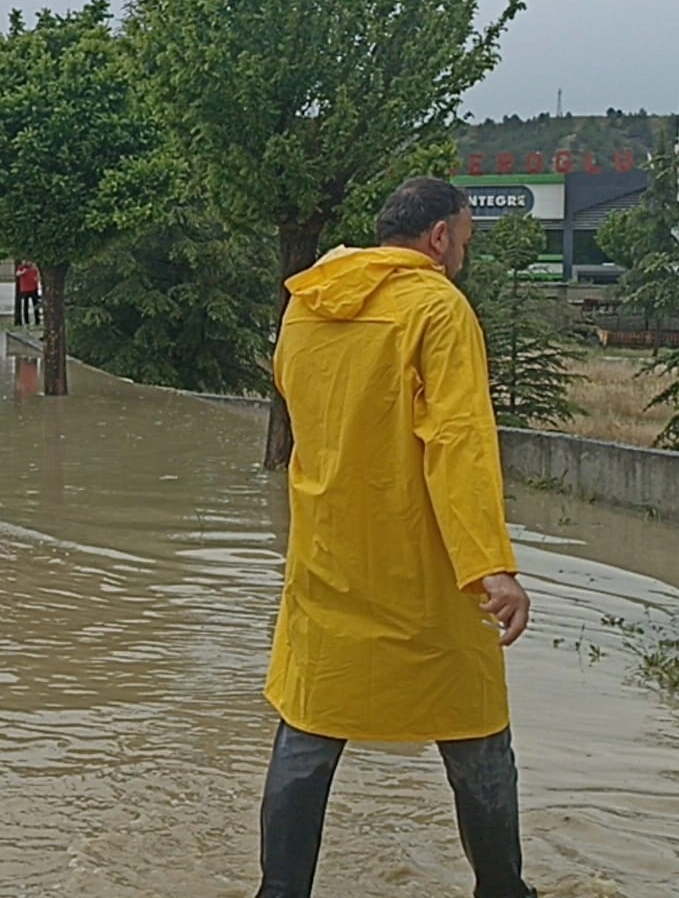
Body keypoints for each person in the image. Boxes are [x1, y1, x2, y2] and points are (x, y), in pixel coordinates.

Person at [258, 177, 535, 898]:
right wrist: (491, 566)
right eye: (465, 240)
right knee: (475, 735)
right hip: (424, 567)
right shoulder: (437, 308)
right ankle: (503, 891)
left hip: (327, 557)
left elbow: (296, 403)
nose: (463, 255)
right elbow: (458, 442)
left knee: (310, 729)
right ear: (439, 236)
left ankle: (280, 891)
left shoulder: (307, 304)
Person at [14, 261, 41, 326]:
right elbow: (17, 274)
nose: (29, 263)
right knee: (25, 305)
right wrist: (23, 272)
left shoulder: (34, 268)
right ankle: (26, 321)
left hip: (33, 289)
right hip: (25, 289)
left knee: (35, 304)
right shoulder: (22, 267)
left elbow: (38, 276)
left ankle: (37, 320)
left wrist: (37, 278)